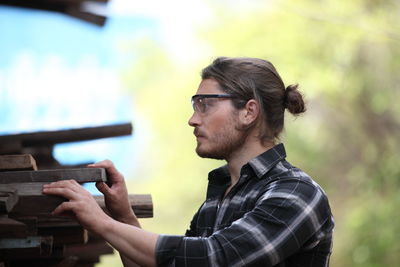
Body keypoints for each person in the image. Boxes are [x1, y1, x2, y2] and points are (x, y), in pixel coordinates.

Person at [43, 57, 334, 267]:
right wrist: (123, 216)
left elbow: (214, 258)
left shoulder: (296, 194)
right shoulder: (217, 199)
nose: (193, 119)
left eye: (205, 105)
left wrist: (101, 222)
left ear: (249, 112)